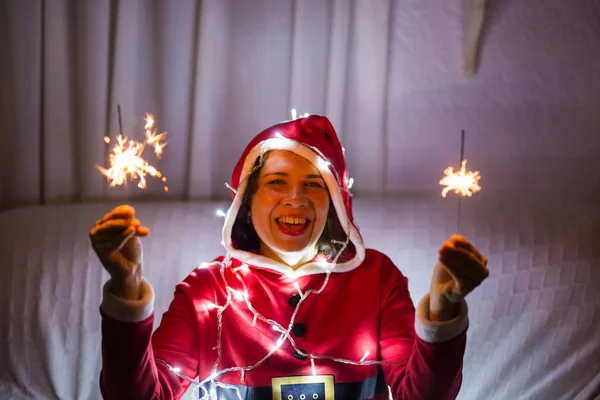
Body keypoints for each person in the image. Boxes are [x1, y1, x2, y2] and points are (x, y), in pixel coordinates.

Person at [90, 115, 489, 400]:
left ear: (335, 202)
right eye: (276, 181)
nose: (294, 199)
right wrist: (125, 292)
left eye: (313, 185)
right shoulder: (207, 292)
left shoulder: (377, 279)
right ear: (247, 200)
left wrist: (443, 312)